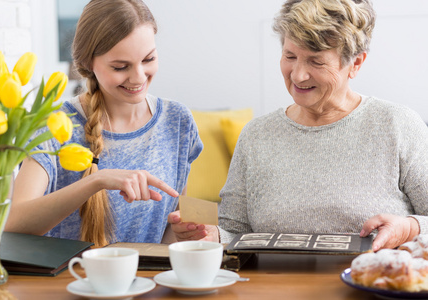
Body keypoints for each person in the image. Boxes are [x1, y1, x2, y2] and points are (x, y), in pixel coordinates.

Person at [169, 0, 428, 252]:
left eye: (316, 61)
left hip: (371, 285)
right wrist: (209, 234)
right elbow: (234, 231)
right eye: (290, 56)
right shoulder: (257, 135)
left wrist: (411, 227)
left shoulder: (397, 125)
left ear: (356, 63)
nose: (297, 75)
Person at [5, 0, 203, 247]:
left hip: (146, 282)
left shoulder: (178, 121)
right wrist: (96, 181)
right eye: (121, 67)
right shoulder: (55, 125)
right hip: (68, 282)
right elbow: (13, 223)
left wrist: (188, 230)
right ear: (89, 64)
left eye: (148, 59)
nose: (139, 77)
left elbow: (167, 235)